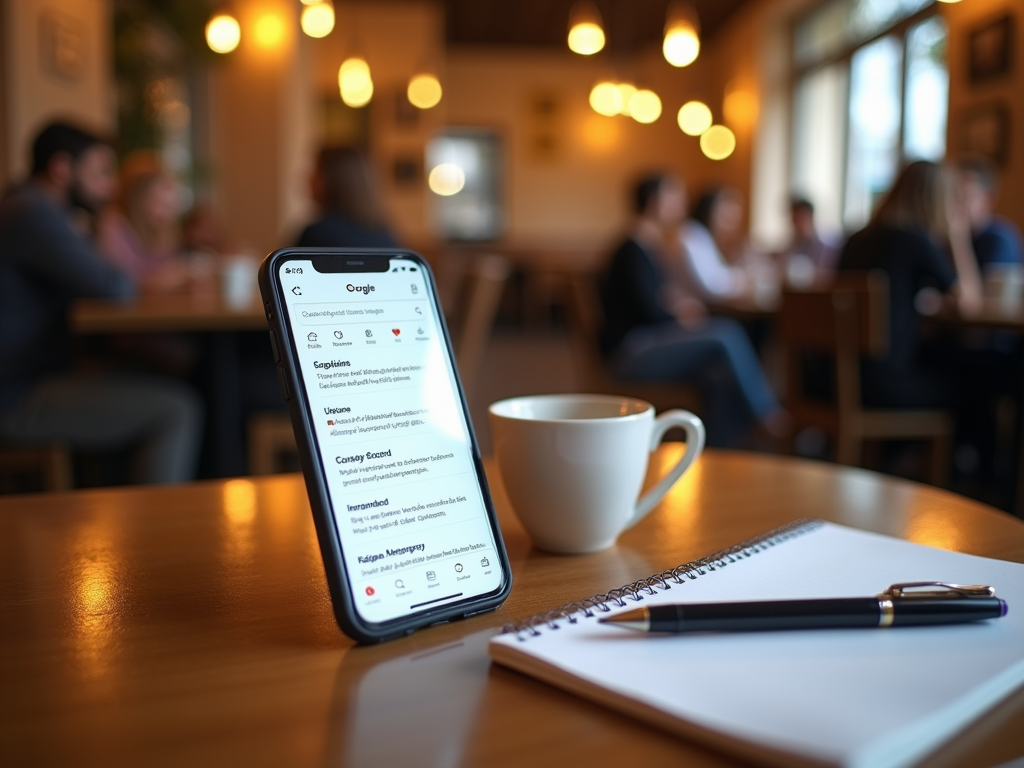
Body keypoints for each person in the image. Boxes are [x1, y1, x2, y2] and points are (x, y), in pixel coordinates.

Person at [0, 121, 202, 484]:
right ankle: (159, 535)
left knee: (160, 372)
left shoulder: (40, 211)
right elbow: (114, 286)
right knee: (177, 410)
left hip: (39, 373)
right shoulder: (31, 212)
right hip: (17, 393)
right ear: (62, 169)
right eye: (100, 173)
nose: (110, 186)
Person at [600, 173, 788, 448]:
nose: (680, 205)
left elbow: (655, 299)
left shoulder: (645, 245)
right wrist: (679, 314)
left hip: (645, 342)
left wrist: (674, 305)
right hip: (631, 352)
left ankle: (721, 452)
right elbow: (648, 311)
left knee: (718, 375)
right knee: (725, 333)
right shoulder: (631, 248)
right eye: (673, 197)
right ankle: (768, 414)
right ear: (654, 202)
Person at [838, 160, 984, 409]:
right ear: (938, 201)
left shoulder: (856, 240)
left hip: (839, 381)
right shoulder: (914, 241)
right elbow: (969, 305)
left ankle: (901, 449)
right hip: (886, 386)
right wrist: (958, 237)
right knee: (979, 385)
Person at [98, 151, 194, 294]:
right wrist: (160, 281)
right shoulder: (114, 226)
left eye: (169, 205)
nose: (167, 212)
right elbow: (110, 282)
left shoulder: (166, 230)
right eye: (159, 203)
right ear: (136, 199)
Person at [296, 146, 397, 248]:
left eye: (317, 170)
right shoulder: (385, 234)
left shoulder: (318, 234)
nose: (309, 178)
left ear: (333, 179)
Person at [955, 155, 1023, 270]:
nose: (956, 204)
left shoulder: (999, 241)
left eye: (965, 197)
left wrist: (957, 240)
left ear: (989, 200)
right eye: (952, 196)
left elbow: (978, 289)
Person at [780, 196, 839, 286]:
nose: (796, 225)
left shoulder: (826, 248)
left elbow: (826, 278)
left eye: (800, 218)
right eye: (794, 220)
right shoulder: (790, 247)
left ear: (810, 218)